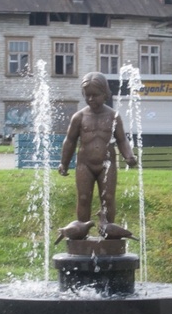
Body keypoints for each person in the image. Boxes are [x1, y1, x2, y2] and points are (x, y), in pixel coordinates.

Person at [58, 72, 137, 223]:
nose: (90, 99)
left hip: (107, 164)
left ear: (105, 94)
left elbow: (122, 140)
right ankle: (81, 233)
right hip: (84, 165)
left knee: (108, 198)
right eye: (87, 95)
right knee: (83, 197)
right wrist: (64, 163)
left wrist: (128, 155)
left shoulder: (113, 116)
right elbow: (69, 141)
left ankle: (108, 233)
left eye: (95, 95)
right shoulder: (79, 117)